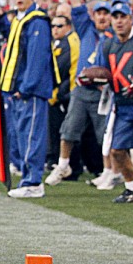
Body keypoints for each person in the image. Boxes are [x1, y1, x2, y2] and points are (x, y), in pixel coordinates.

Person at [46, 0, 118, 189]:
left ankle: (109, 171)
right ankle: (62, 164)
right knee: (68, 129)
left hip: (103, 91)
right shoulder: (85, 27)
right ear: (93, 15)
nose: (103, 17)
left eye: (107, 13)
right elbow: (76, 3)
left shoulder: (115, 35)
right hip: (81, 88)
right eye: (99, 13)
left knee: (105, 135)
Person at [0, 0, 56, 198]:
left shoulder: (37, 21)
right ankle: (26, 177)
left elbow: (37, 57)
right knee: (22, 135)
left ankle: (33, 181)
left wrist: (25, 87)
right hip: (19, 89)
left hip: (30, 90)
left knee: (32, 135)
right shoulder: (20, 19)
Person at [101, 2, 133, 203]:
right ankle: (131, 188)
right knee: (117, 150)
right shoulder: (108, 45)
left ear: (131, 18)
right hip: (122, 105)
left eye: (123, 17)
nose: (119, 21)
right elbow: (103, 73)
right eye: (116, 17)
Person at [46, 14, 79, 174]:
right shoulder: (56, 43)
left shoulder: (69, 42)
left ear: (68, 27)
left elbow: (63, 69)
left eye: (59, 26)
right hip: (57, 93)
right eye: (53, 26)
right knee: (56, 130)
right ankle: (58, 161)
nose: (55, 29)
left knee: (66, 131)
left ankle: (71, 164)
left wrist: (59, 94)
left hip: (64, 94)